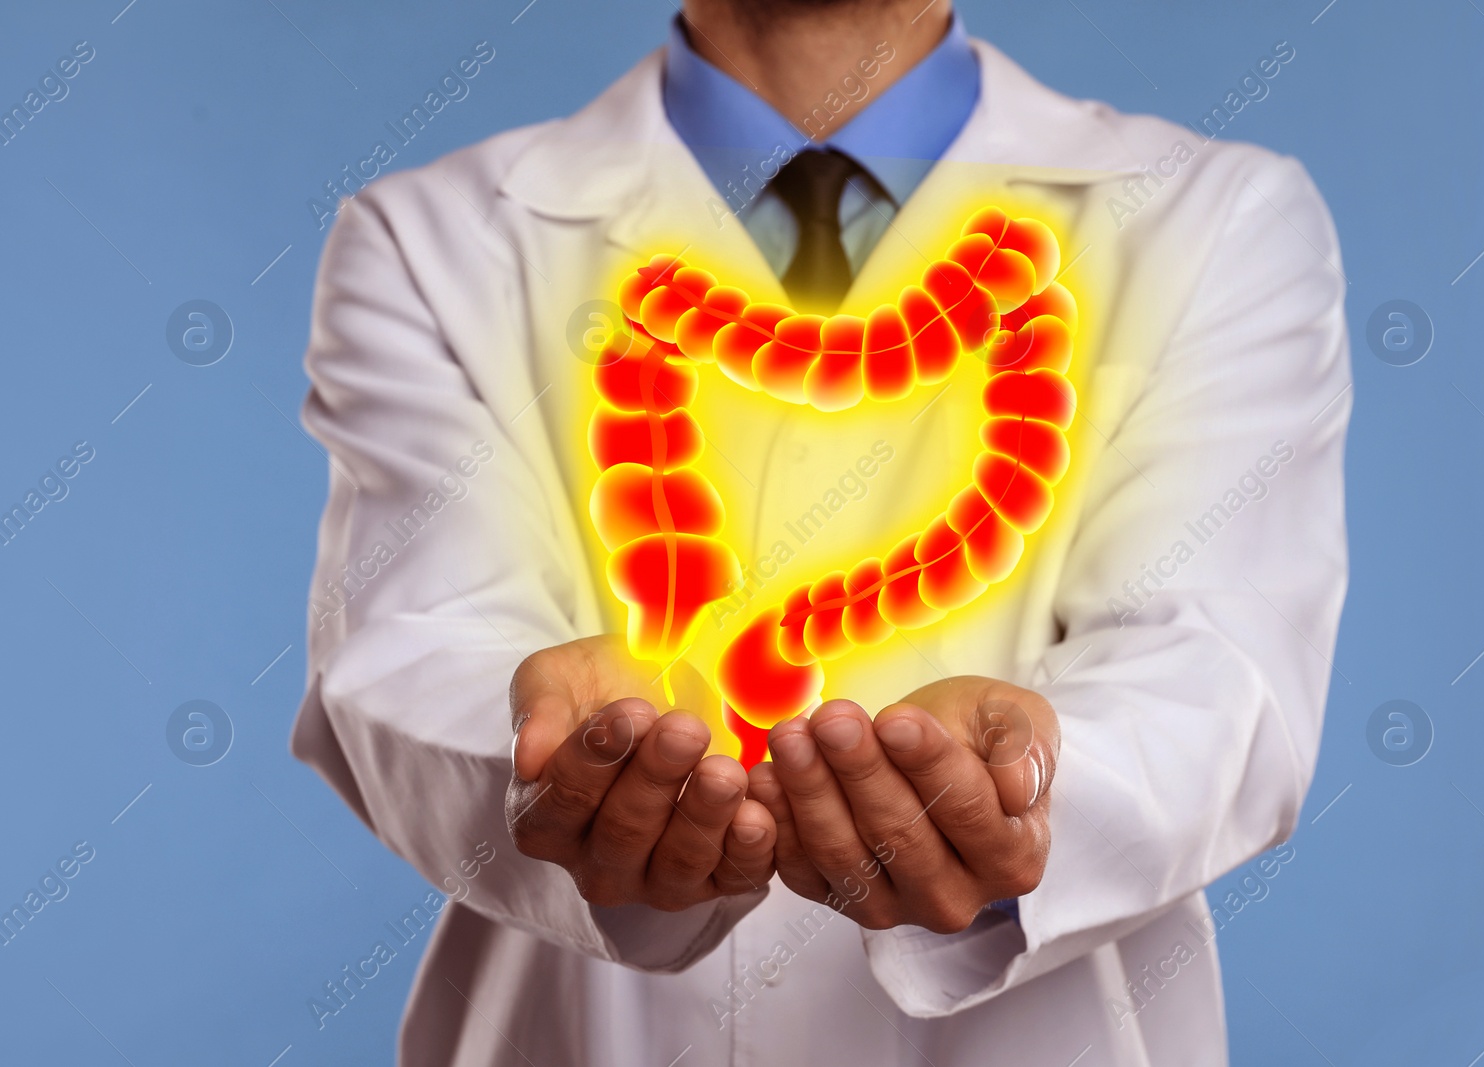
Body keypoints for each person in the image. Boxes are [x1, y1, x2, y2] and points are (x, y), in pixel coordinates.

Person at [292, 0, 1350, 1063]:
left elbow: (1216, 664)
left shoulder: (1216, 218)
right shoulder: (425, 240)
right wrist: (565, 763)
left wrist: (1017, 794)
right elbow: (412, 647)